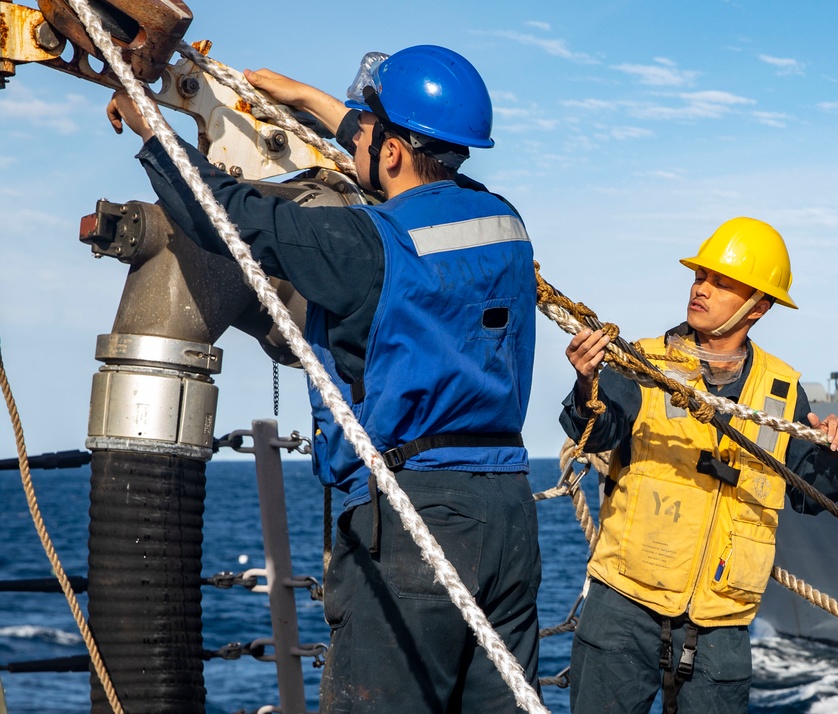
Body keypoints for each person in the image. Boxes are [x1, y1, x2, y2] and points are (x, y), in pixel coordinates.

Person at [107, 45, 541, 713]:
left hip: (413, 520)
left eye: (370, 131)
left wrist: (153, 131)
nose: (360, 139)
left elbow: (228, 214)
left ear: (392, 153)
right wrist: (305, 98)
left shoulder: (367, 245)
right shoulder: (502, 223)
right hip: (507, 513)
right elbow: (389, 147)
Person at [559, 217, 838, 714]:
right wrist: (587, 382)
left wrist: (835, 449)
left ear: (758, 307)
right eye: (700, 277)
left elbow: (812, 494)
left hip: (721, 625)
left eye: (721, 283)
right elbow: (596, 430)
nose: (701, 289)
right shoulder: (643, 363)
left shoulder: (781, 391)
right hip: (624, 606)